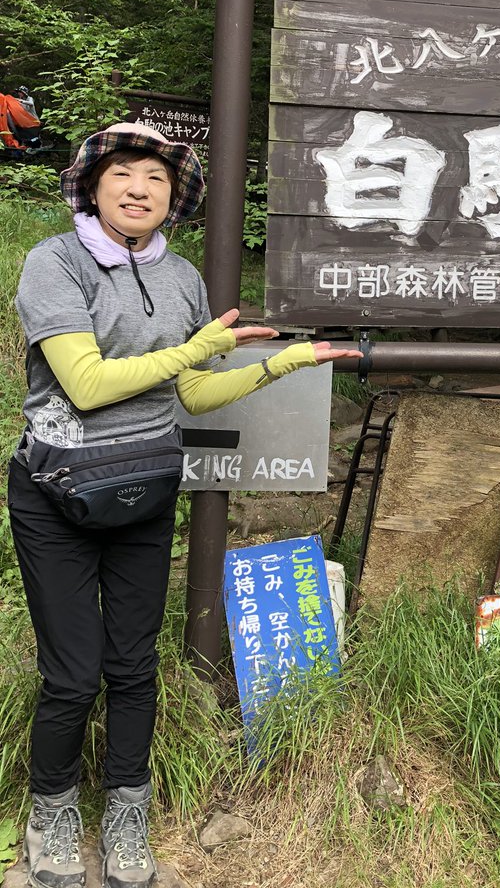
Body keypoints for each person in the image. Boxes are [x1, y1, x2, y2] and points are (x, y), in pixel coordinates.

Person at [7, 122, 361, 888]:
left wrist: (285, 363)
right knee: (73, 673)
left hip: (144, 489)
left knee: (135, 668)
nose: (140, 189)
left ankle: (128, 813)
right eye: (125, 174)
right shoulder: (54, 263)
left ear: (174, 199)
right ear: (92, 185)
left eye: (157, 180)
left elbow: (193, 392)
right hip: (55, 495)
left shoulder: (183, 278)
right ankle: (52, 813)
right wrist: (198, 348)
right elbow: (88, 383)